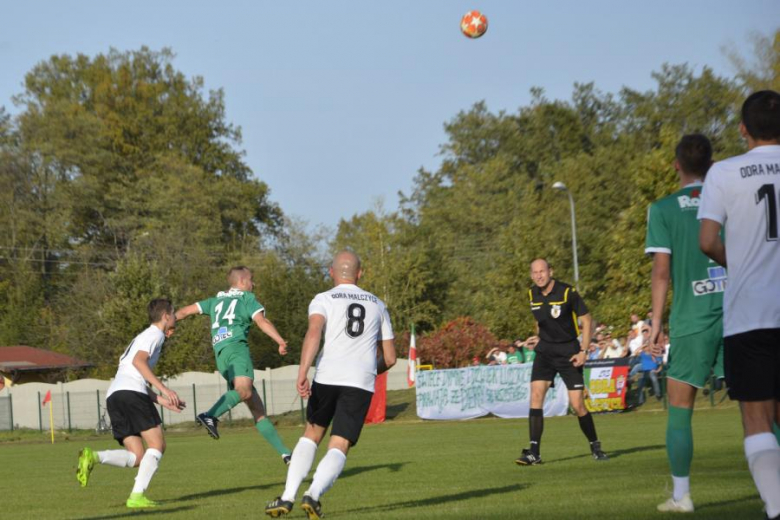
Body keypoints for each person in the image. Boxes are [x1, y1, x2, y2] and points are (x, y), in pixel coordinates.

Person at [265, 250, 396, 519]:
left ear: (331, 272)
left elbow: (314, 332)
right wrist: (371, 369)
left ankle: (287, 497)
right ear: (360, 273)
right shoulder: (378, 304)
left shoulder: (323, 299)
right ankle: (312, 496)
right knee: (340, 443)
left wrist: (303, 371)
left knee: (311, 434)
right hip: (359, 382)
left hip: (327, 375)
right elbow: (391, 357)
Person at [698, 91, 780, 520]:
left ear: (743, 129)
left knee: (756, 420)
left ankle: (776, 507)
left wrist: (742, 261)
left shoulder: (724, 173)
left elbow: (707, 240)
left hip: (749, 314)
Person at [646, 134, 726, 512]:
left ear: (677, 164)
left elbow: (661, 273)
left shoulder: (662, 209)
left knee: (680, 408)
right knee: (763, 408)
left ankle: (682, 496)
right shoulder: (729, 198)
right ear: (711, 164)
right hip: (740, 313)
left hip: (692, 318)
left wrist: (656, 324)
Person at [175, 266, 292, 464]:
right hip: (237, 350)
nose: (253, 284)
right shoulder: (247, 299)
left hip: (221, 357)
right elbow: (262, 322)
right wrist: (280, 340)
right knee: (244, 391)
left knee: (258, 411)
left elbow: (184, 311)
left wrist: (164, 328)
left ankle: (286, 455)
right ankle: (210, 415)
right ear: (243, 282)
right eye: (251, 280)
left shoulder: (214, 301)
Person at [76, 299, 183, 508]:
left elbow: (135, 375)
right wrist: (165, 389)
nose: (175, 317)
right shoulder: (155, 335)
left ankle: (94, 457)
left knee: (137, 456)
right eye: (173, 314)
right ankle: (136, 497)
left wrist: (162, 401)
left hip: (115, 395)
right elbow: (139, 363)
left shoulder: (141, 337)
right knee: (157, 445)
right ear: (165, 316)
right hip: (131, 394)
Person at [515, 258, 608, 466]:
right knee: (536, 396)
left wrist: (584, 350)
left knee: (577, 405)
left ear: (551, 271)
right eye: (535, 272)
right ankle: (534, 453)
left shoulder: (567, 292)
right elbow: (539, 320)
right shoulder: (532, 293)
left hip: (569, 352)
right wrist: (538, 337)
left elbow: (586, 319)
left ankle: (595, 445)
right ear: (531, 275)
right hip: (545, 352)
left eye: (542, 271)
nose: (539, 275)